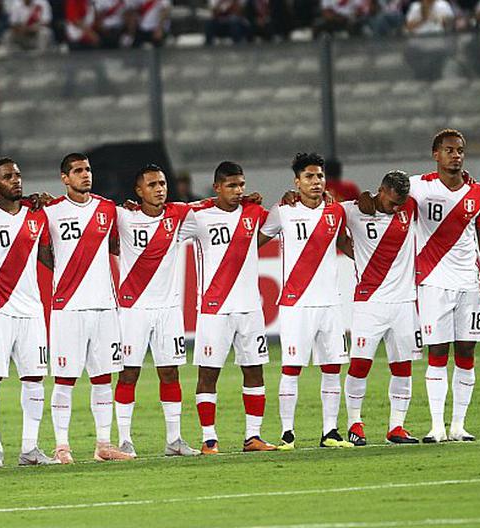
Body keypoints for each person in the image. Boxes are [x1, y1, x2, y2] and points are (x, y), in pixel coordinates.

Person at [407, 129, 480, 443]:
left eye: (460, 150)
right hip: (433, 282)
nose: (456, 155)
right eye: (449, 150)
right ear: (436, 154)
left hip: (468, 283)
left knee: (466, 351)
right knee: (437, 352)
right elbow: (384, 196)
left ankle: (458, 426)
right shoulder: (418, 186)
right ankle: (436, 426)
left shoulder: (479, 193)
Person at [39, 153, 131, 463]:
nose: (85, 175)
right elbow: (42, 251)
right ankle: (62, 445)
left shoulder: (107, 209)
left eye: (88, 169)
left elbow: (116, 247)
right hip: (68, 307)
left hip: (105, 307)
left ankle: (104, 445)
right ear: (65, 178)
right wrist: (66, 276)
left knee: (103, 378)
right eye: (77, 171)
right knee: (65, 379)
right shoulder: (51, 211)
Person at [258, 152, 353, 450]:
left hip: (329, 303)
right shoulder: (283, 210)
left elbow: (345, 244)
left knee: (332, 367)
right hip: (295, 303)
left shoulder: (335, 212)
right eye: (309, 176)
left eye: (320, 176)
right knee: (291, 368)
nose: (316, 182)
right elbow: (255, 240)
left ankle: (330, 432)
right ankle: (287, 434)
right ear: (297, 181)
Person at [180, 162, 277, 454]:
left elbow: (272, 229)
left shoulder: (253, 213)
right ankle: (209, 439)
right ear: (217, 188)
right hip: (214, 309)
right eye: (232, 186)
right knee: (208, 374)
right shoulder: (198, 216)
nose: (238, 191)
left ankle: (253, 437)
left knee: (255, 371)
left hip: (250, 308)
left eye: (241, 185)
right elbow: (167, 222)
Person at [0, 158, 58, 467]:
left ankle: (30, 448)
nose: (16, 180)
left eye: (18, 175)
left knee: (34, 378)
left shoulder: (37, 216)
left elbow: (49, 256)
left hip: (32, 309)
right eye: (8, 177)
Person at [112, 165, 199, 458]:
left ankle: (174, 440)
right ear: (139, 191)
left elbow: (214, 206)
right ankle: (124, 440)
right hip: (132, 308)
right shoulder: (124, 217)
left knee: (170, 373)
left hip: (168, 310)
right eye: (151, 184)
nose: (159, 188)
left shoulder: (179, 216)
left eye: (162, 183)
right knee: (128, 374)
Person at [339, 170, 421, 446]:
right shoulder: (352, 211)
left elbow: (439, 182)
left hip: (404, 304)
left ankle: (396, 427)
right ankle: (354, 424)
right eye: (391, 202)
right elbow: (322, 209)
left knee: (403, 367)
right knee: (360, 364)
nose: (397, 207)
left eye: (401, 202)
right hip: (369, 303)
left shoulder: (410, 204)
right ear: (380, 191)